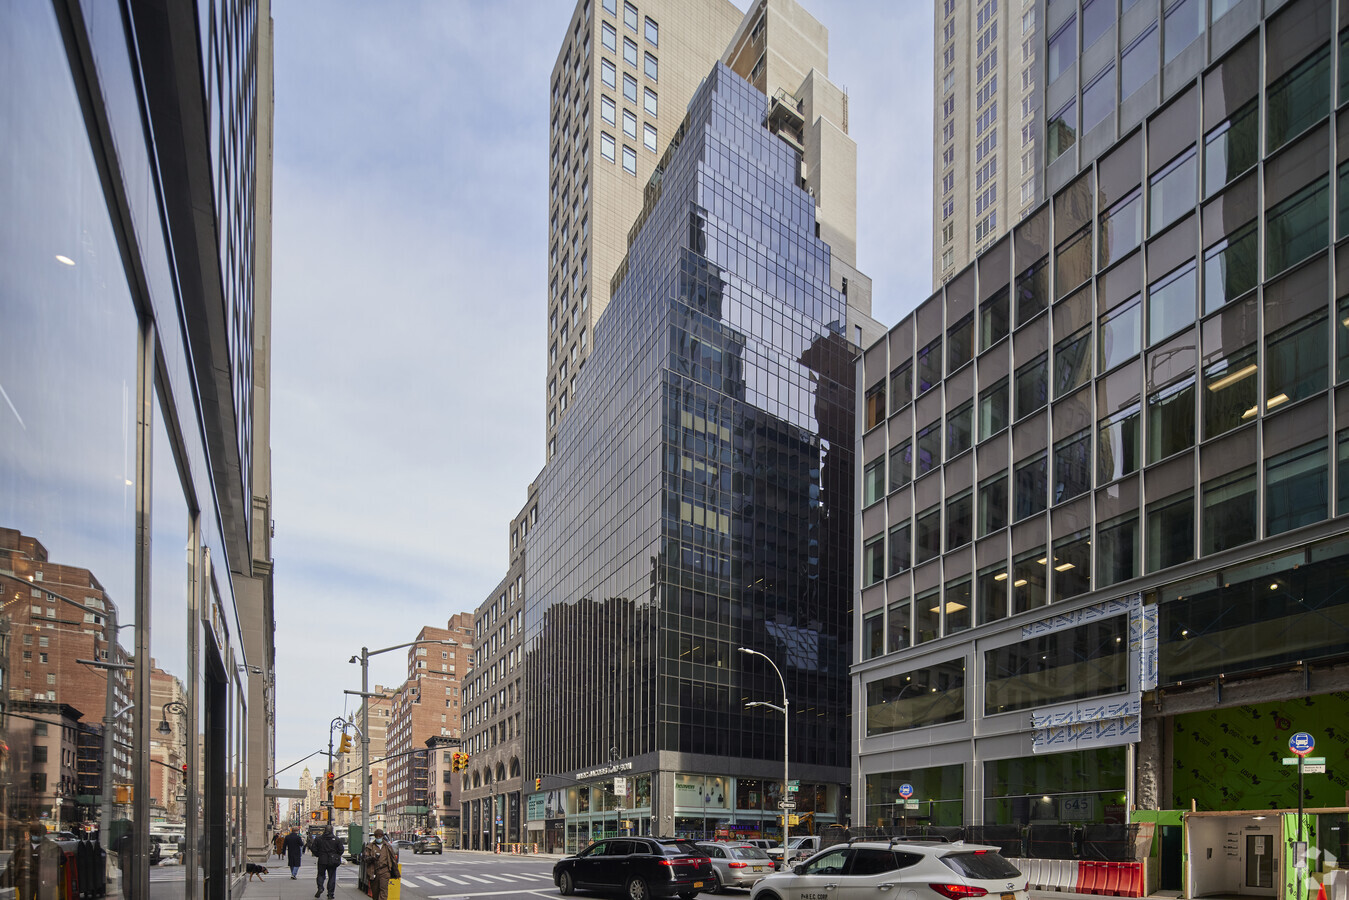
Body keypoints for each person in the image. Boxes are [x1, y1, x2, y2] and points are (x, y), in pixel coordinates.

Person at [361, 828, 399, 900]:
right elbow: (364, 858)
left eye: (380, 836)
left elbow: (393, 858)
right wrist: (372, 858)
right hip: (374, 871)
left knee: (383, 891)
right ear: (375, 837)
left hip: (385, 871)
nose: (378, 838)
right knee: (375, 892)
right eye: (377, 836)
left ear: (382, 836)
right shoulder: (370, 846)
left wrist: (395, 871)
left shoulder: (387, 846)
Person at [311, 825, 344, 900]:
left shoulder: (319, 839)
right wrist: (336, 855)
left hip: (322, 859)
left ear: (324, 830)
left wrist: (318, 854)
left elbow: (313, 848)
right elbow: (341, 850)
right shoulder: (336, 839)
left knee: (321, 875)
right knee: (332, 877)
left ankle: (320, 887)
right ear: (332, 830)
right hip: (332, 860)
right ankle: (330, 894)